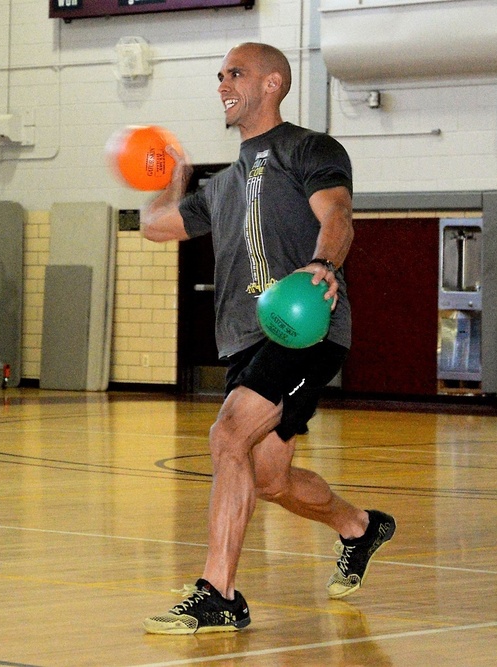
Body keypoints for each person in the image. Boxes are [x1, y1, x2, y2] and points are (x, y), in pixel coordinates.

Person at [140, 42, 395, 634]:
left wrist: (325, 264)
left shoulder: (308, 148)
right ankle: (360, 527)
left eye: (236, 73)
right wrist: (172, 179)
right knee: (270, 478)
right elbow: (156, 227)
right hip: (245, 340)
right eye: (220, 75)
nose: (223, 83)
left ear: (273, 83)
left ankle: (218, 595)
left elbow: (336, 213)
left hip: (302, 327)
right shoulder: (225, 184)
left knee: (228, 433)